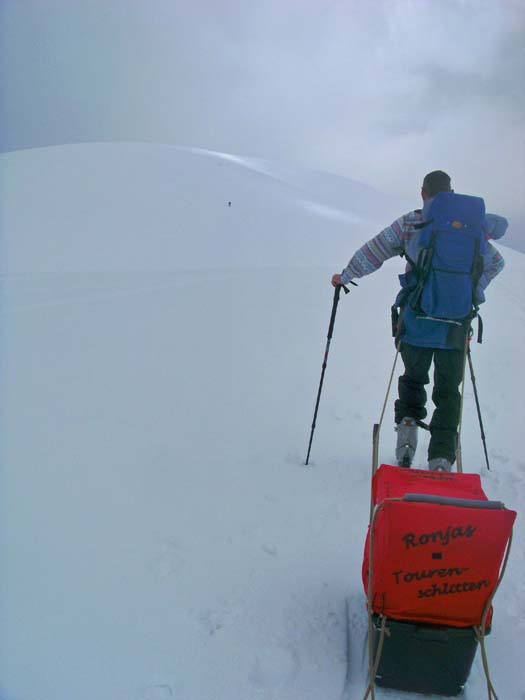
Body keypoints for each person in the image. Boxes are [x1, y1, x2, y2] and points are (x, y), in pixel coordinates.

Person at [331, 171, 507, 471]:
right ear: (451, 192)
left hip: (417, 322)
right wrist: (471, 296)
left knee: (413, 379)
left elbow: (376, 250)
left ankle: (406, 446)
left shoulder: (413, 222)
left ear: (423, 192)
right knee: (449, 390)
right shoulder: (472, 227)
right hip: (456, 325)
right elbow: (496, 263)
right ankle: (441, 458)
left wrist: (345, 275)